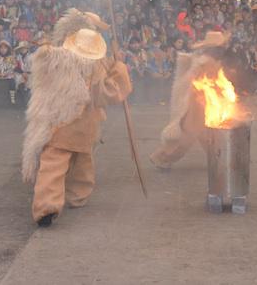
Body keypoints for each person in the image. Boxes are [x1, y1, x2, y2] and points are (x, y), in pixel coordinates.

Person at [21, 28, 132, 227]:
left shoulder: (56, 60)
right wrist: (119, 67)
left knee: (54, 166)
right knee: (81, 161)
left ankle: (48, 205)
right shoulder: (95, 70)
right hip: (81, 126)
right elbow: (109, 93)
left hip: (55, 123)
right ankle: (76, 196)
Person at [150, 31, 230, 169]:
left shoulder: (211, 60)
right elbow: (190, 81)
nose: (224, 49)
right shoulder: (204, 61)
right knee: (187, 137)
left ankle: (217, 157)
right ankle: (161, 158)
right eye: (221, 46)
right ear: (215, 48)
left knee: (208, 133)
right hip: (195, 104)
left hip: (205, 103)